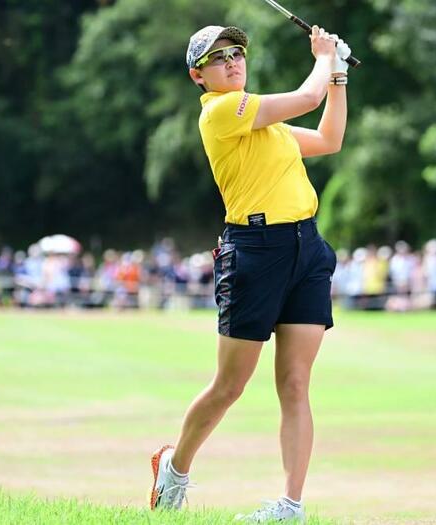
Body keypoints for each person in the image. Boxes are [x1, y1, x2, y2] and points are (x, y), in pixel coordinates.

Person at [148, 24, 350, 523]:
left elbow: (329, 139)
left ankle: (290, 506)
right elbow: (306, 95)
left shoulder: (268, 125)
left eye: (236, 52)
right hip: (254, 252)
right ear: (199, 76)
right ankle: (174, 470)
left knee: (296, 384)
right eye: (219, 58)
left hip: (306, 248)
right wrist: (324, 55)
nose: (233, 61)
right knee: (230, 386)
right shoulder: (220, 112)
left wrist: (339, 76)